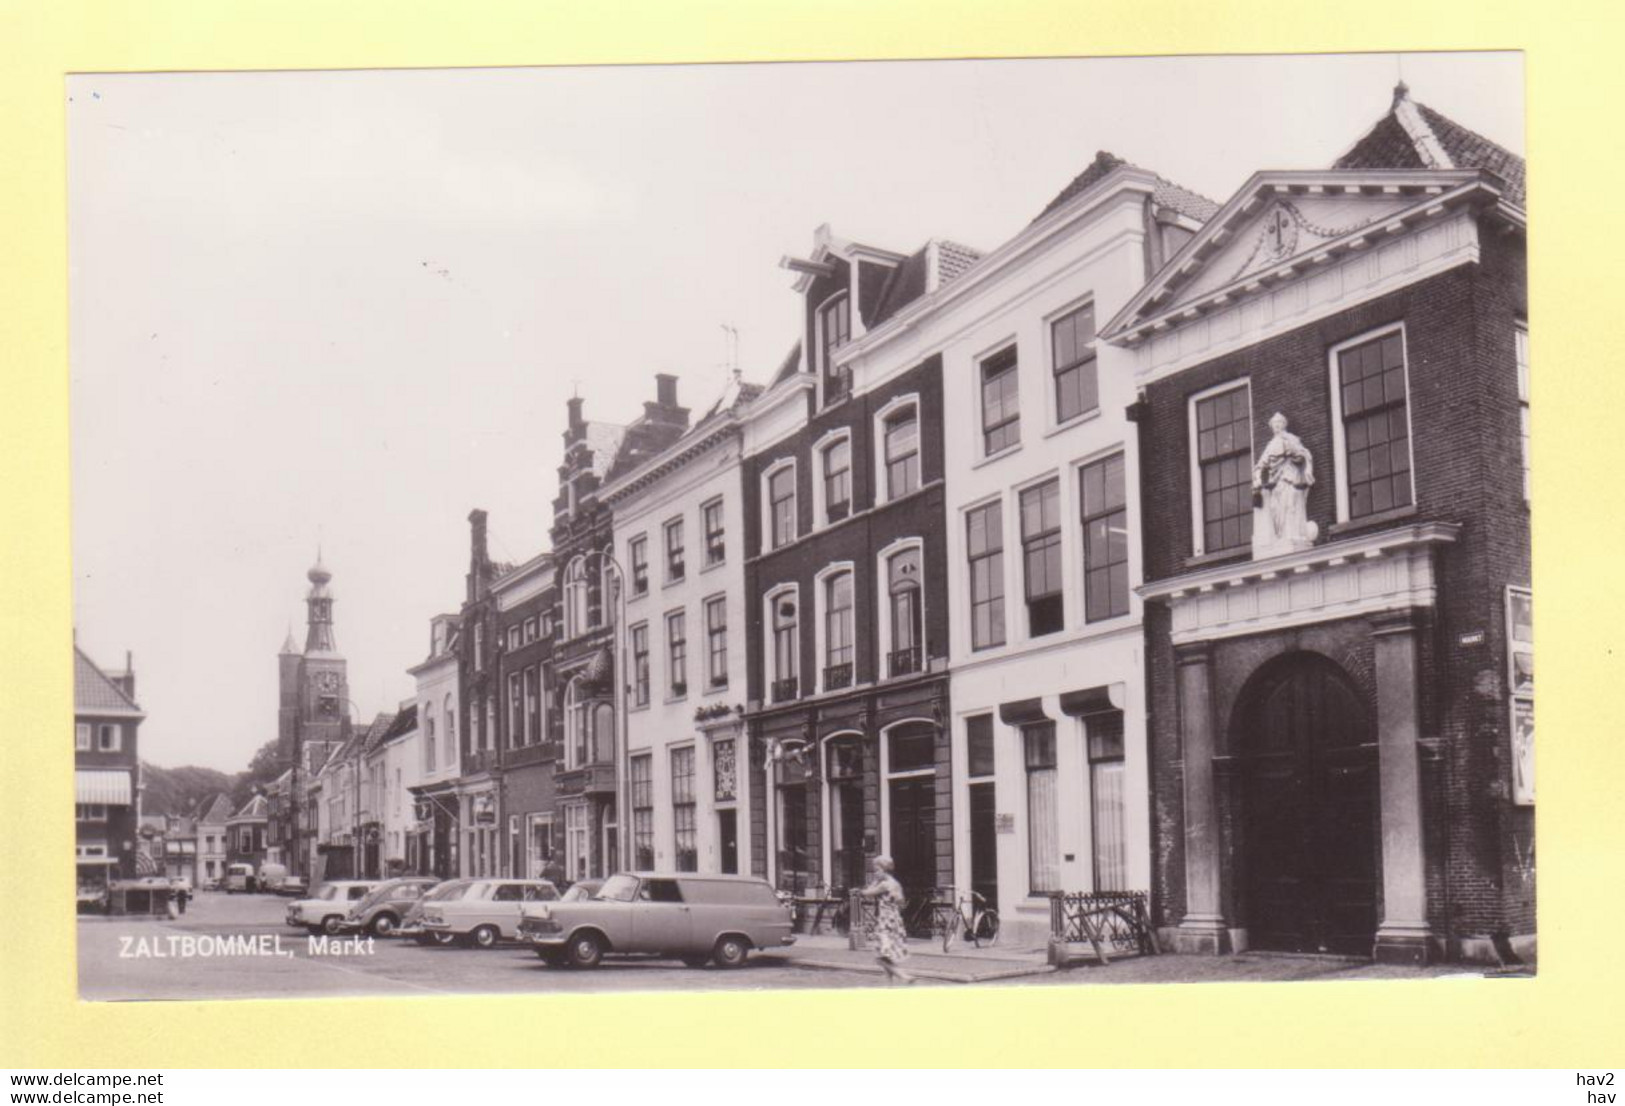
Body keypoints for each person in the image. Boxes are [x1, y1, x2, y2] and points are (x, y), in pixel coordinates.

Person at [1251, 412, 1319, 557]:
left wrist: (1295, 456)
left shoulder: (1291, 439)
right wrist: (1256, 477)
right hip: (1275, 483)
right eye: (1274, 423)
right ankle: (1281, 537)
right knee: (1276, 510)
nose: (1277, 425)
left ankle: (1290, 535)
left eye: (1279, 423)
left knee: (1290, 505)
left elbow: (1303, 455)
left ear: (1284, 424)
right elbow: (1260, 465)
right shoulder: (1270, 445)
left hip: (1289, 477)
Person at [859, 856, 916, 985]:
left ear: (884, 869)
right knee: (887, 955)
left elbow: (868, 893)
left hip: (885, 921)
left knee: (880, 957)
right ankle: (889, 987)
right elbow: (901, 903)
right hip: (895, 920)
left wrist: (863, 889)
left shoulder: (884, 884)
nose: (875, 873)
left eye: (877, 870)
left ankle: (904, 976)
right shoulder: (896, 883)